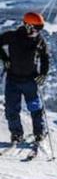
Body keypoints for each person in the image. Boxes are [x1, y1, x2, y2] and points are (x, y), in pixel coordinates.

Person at [0, 12, 49, 144]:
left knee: (35, 108)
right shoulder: (12, 36)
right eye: (36, 28)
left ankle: (39, 133)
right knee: (11, 109)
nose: (38, 32)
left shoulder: (39, 40)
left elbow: (45, 57)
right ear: (27, 25)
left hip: (30, 80)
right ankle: (16, 134)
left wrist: (43, 73)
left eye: (40, 29)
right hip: (13, 80)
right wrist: (4, 59)